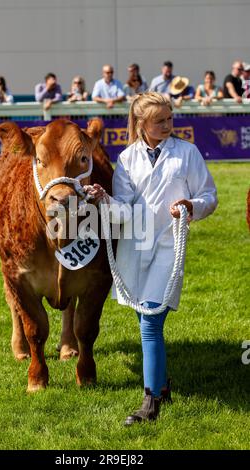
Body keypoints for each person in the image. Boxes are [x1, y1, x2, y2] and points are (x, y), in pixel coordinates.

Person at [84, 92, 218, 425]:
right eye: (160, 121)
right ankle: (162, 385)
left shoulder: (187, 153)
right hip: (135, 246)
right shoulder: (127, 159)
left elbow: (209, 196)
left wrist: (191, 206)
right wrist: (104, 200)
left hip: (168, 247)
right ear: (141, 123)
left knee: (150, 324)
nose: (168, 125)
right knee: (146, 320)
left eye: (170, 119)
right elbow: (123, 213)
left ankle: (150, 401)